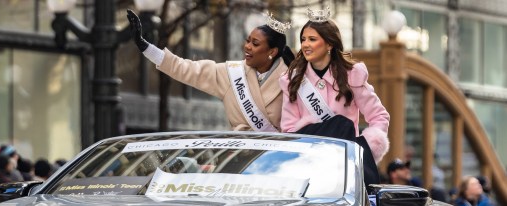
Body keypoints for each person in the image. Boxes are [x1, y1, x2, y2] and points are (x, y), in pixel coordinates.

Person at [126, 9, 295, 131]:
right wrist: (146, 47)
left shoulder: (292, 79)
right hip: (241, 156)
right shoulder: (232, 73)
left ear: (272, 52)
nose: (247, 47)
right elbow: (185, 68)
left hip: (276, 158)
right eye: (247, 41)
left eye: (255, 44)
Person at [279, 6, 389, 185]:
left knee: (342, 126)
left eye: (312, 39)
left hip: (342, 164)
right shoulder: (293, 80)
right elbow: (289, 129)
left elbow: (379, 116)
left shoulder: (352, 74)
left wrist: (365, 148)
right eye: (303, 39)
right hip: (307, 161)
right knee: (340, 124)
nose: (305, 44)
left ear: (329, 44)